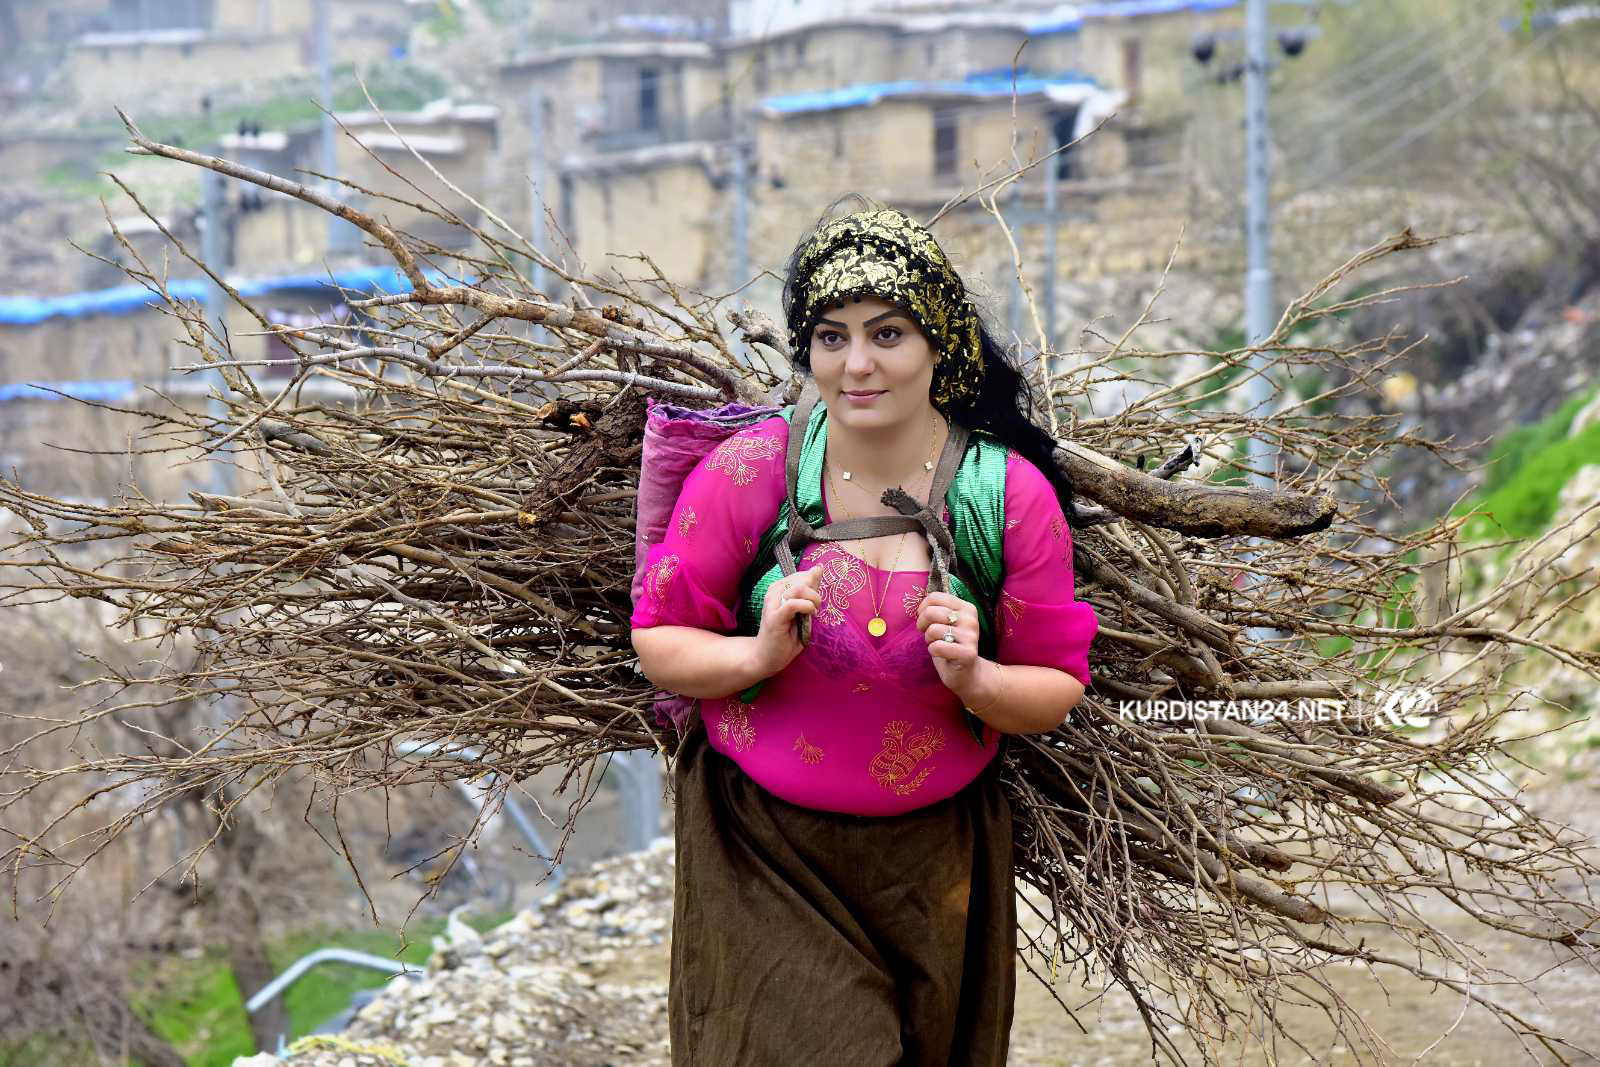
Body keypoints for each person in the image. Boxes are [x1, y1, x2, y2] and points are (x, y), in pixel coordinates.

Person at [630, 201, 1099, 1066]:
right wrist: (759, 655)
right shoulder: (752, 470)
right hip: (762, 850)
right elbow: (660, 640)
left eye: (887, 334)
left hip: (938, 862)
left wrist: (978, 681)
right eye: (831, 337)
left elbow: (1055, 685)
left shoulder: (1006, 494)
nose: (857, 364)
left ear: (939, 345)